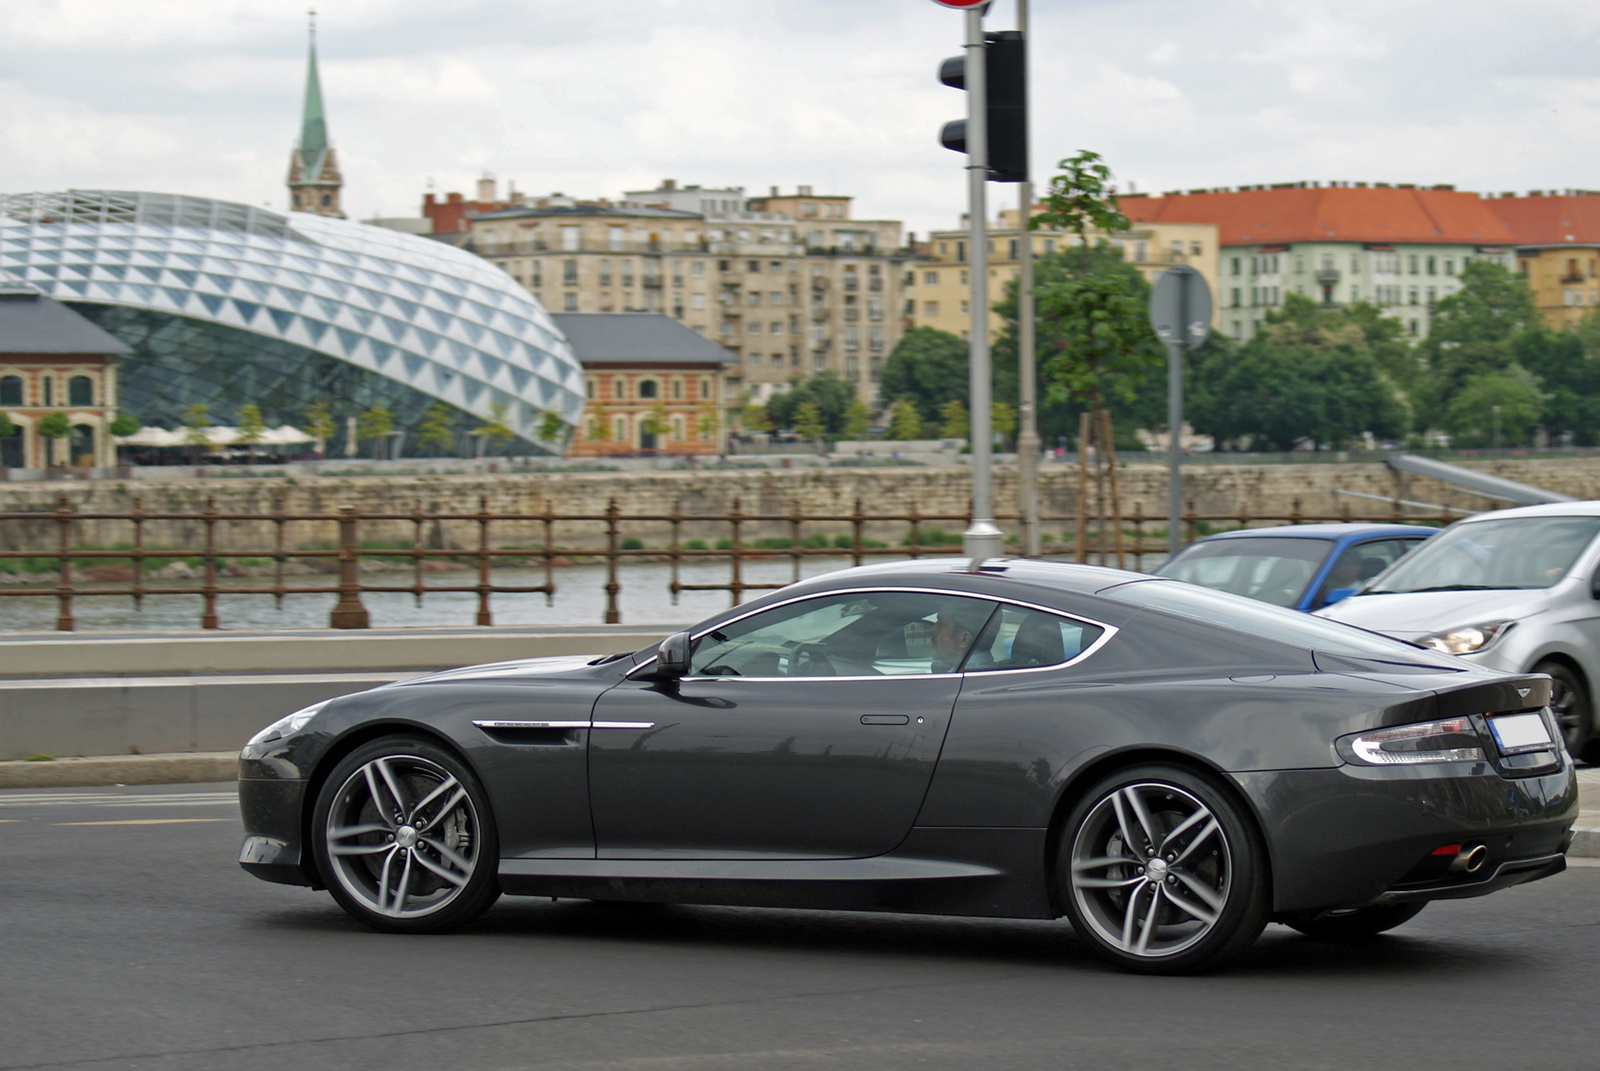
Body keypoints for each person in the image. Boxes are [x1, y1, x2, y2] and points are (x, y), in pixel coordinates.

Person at [929, 602, 991, 672]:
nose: (931, 630)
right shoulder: (990, 671)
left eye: (941, 624)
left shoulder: (951, 680)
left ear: (964, 639)